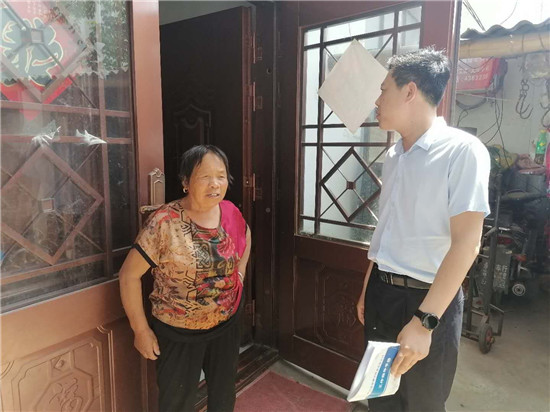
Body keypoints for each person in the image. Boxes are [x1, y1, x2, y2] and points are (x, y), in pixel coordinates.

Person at [356, 48, 490, 411]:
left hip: (429, 301)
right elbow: (387, 228)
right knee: (380, 397)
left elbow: (467, 243)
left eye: (383, 90)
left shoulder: (462, 151)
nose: (377, 101)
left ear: (410, 91)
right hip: (383, 293)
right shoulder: (395, 155)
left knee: (423, 403)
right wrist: (368, 286)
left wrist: (424, 322)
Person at [119, 145, 251, 412]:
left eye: (221, 176)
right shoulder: (164, 222)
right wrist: (140, 330)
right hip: (178, 331)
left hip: (226, 325)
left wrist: (239, 274)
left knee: (224, 395)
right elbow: (129, 276)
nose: (215, 184)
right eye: (205, 176)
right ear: (185, 182)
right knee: (177, 403)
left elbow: (246, 236)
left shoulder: (230, 212)